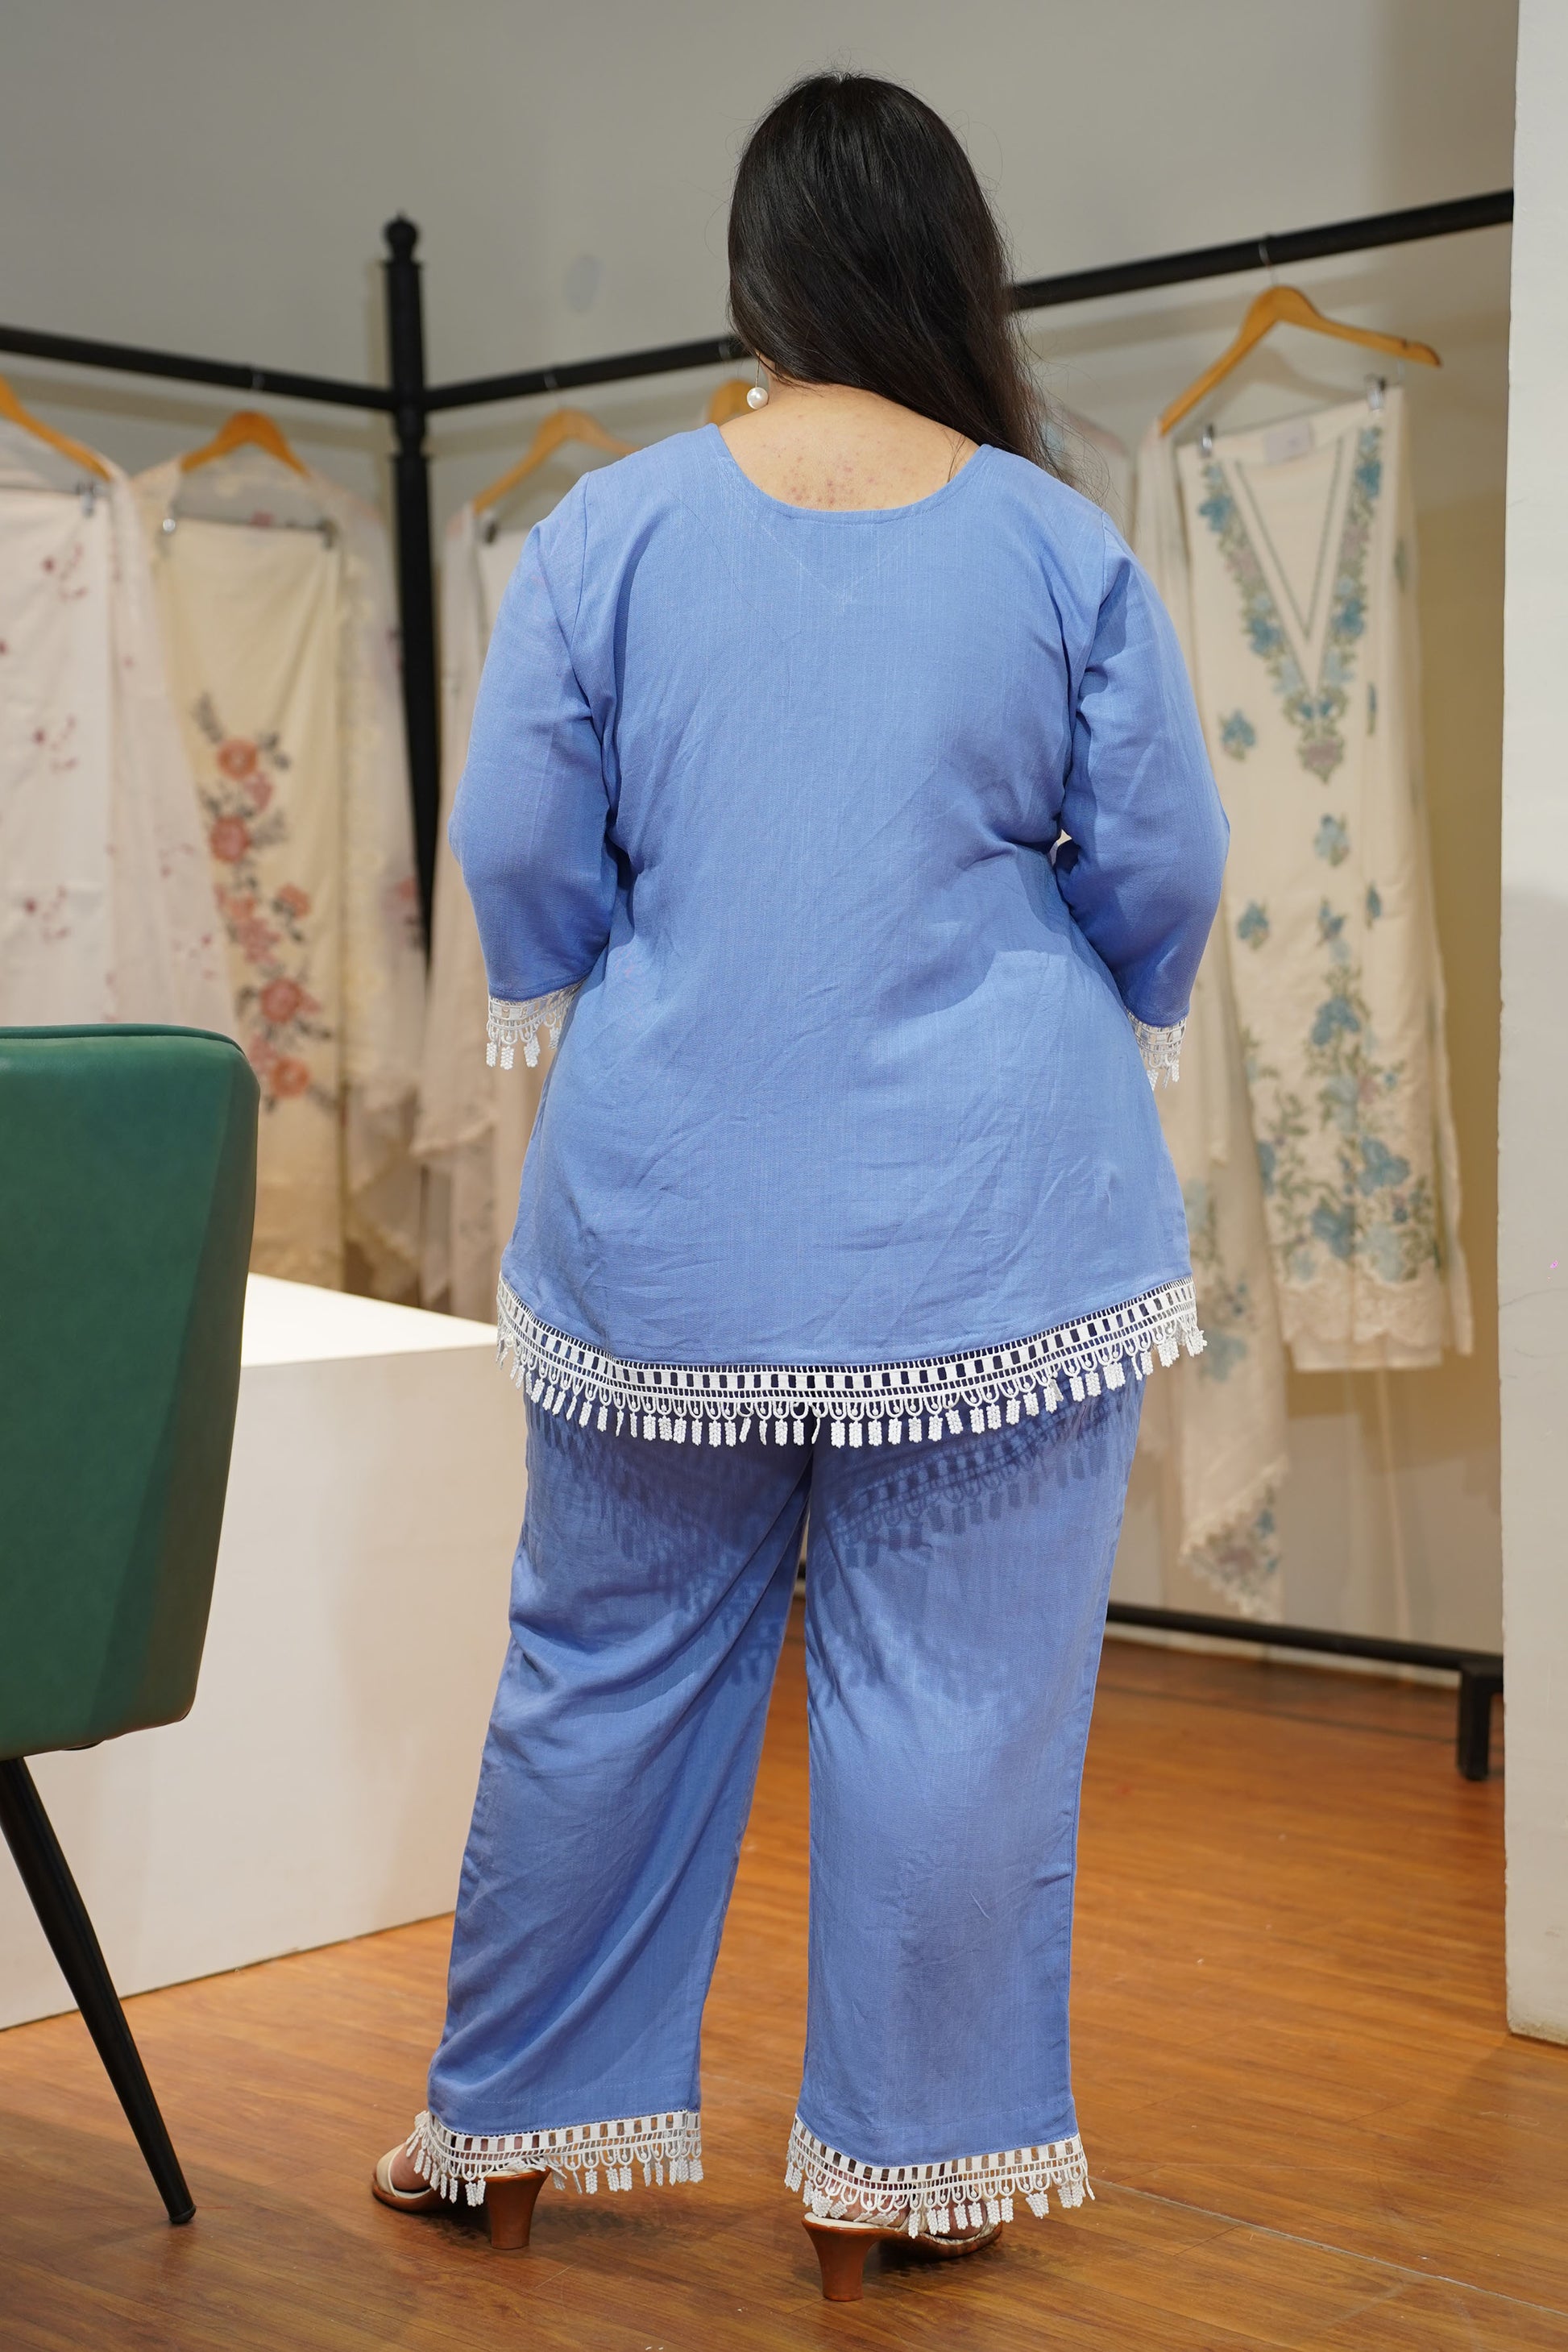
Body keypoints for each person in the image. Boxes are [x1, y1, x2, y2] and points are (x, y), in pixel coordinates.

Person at [371, 71, 1226, 2304]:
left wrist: (614, 965)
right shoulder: (1055, 542)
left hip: (668, 1218)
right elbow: (1161, 866)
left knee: (599, 1670)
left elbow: (519, 855)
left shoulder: (607, 529)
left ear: (755, 275)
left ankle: (504, 2135)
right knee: (958, 1699)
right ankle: (896, 2183)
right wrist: (1083, 981)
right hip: (995, 1232)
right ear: (955, 267)